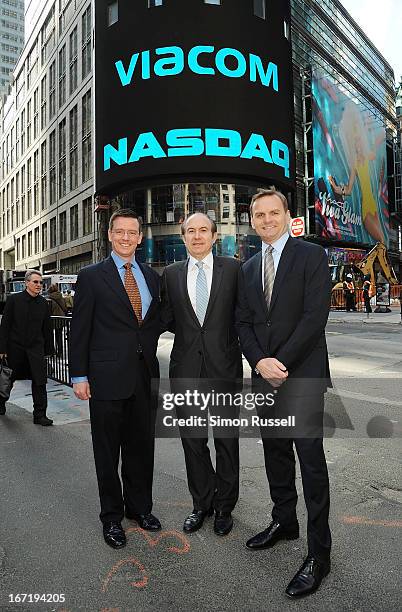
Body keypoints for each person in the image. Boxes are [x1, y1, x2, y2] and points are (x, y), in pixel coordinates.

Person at [236, 188, 332, 599]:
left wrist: (281, 363)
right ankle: (284, 520)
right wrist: (259, 362)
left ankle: (319, 554)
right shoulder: (248, 266)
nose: (267, 219)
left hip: (303, 375)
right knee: (275, 453)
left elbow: (315, 318)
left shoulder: (311, 256)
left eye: (274, 212)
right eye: (259, 214)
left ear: (286, 215)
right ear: (252, 220)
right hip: (265, 377)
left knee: (310, 462)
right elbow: (243, 323)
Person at [69, 209, 162, 550]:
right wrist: (79, 375)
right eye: (119, 231)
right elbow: (79, 330)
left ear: (140, 237)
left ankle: (139, 509)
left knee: (141, 448)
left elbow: (152, 323)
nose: (125, 237)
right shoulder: (92, 276)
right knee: (107, 452)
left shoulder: (152, 278)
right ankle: (111, 517)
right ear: (110, 235)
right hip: (105, 378)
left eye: (132, 232)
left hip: (142, 377)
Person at [161, 213, 242, 536]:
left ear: (214, 235)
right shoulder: (170, 274)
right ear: (183, 238)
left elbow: (244, 314)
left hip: (224, 369)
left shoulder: (234, 270)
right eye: (190, 231)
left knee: (226, 441)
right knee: (193, 443)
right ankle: (202, 503)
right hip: (186, 371)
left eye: (203, 230)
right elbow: (167, 318)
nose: (197, 236)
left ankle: (225, 507)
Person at [0, 270, 54, 426]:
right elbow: (5, 326)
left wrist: (48, 351)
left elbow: (47, 329)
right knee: (8, 379)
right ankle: (1, 401)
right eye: (35, 282)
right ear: (27, 283)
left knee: (39, 381)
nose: (39, 285)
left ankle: (40, 415)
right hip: (15, 348)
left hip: (35, 349)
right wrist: (2, 349)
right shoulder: (14, 300)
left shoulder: (44, 303)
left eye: (40, 282)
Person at [47, 284, 67, 356]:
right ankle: (60, 352)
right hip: (61, 318)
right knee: (59, 336)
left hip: (52, 319)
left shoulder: (49, 299)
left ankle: (52, 351)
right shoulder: (61, 297)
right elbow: (65, 308)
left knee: (50, 335)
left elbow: (49, 310)